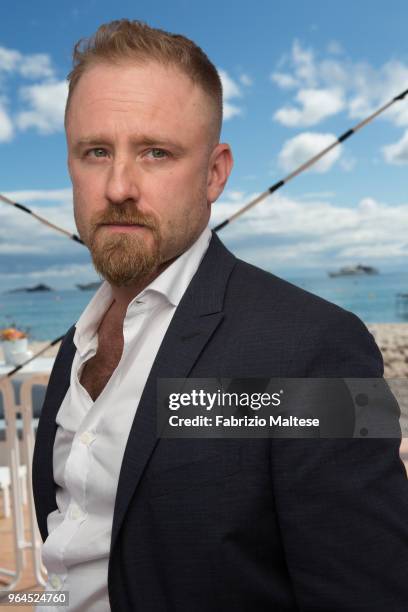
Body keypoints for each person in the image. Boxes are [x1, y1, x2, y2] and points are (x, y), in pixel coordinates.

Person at [32, 19, 408, 612]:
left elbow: (368, 592)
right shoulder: (74, 348)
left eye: (157, 152)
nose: (119, 185)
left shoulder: (312, 349)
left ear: (214, 173)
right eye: (96, 151)